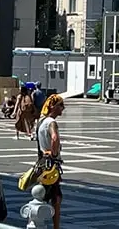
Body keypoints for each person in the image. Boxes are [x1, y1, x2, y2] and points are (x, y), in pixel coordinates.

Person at [36, 94, 65, 229]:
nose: (63, 108)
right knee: (56, 198)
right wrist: (54, 154)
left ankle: (39, 221)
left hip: (43, 162)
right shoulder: (51, 122)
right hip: (51, 164)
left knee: (42, 194)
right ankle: (55, 226)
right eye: (60, 105)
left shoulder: (41, 121)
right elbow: (54, 137)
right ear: (53, 106)